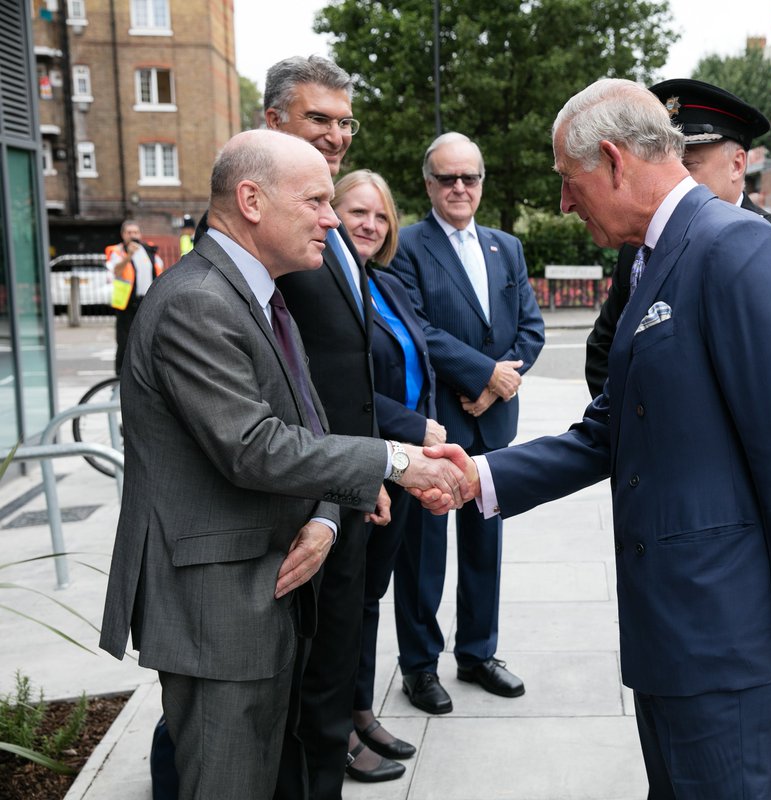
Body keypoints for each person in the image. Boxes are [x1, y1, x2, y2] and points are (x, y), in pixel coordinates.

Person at [422, 78, 771, 797]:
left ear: (616, 162)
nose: (565, 202)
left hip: (728, 637)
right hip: (674, 631)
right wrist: (480, 477)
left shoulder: (737, 248)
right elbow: (613, 424)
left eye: (569, 179)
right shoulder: (656, 255)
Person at [98, 129, 469, 799]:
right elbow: (252, 446)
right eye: (316, 201)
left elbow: (308, 424)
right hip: (218, 609)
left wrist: (326, 515)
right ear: (251, 201)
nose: (332, 219)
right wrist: (394, 460)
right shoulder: (196, 301)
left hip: (264, 589)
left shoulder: (260, 293)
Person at [255, 55, 384, 798]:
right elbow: (273, 387)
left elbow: (341, 367)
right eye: (319, 119)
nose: (337, 136)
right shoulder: (260, 226)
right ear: (273, 120)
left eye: (345, 122)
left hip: (344, 484)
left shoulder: (324, 219)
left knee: (330, 679)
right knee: (289, 698)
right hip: (302, 505)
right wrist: (334, 494)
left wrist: (374, 466)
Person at [391, 132, 545, 715]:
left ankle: (478, 654)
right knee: (423, 555)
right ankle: (419, 666)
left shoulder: (507, 247)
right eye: (447, 178)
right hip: (435, 425)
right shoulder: (406, 246)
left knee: (485, 548)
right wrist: (484, 375)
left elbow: (529, 328)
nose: (460, 187)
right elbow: (416, 328)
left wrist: (499, 383)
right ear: (428, 183)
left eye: (469, 177)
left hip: (492, 426)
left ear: (481, 182)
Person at [584, 78, 771, 397]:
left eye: (687, 165)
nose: (674, 180)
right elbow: (604, 349)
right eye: (665, 165)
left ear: (737, 165)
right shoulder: (639, 245)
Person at [332, 169, 442, 783]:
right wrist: (414, 426)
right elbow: (343, 386)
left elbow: (417, 364)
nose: (370, 224)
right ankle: (338, 732)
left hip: (400, 467)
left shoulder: (386, 282)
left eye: (380, 215)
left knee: (371, 595)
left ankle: (360, 711)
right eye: (357, 212)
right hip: (358, 462)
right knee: (344, 601)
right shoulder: (324, 287)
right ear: (332, 213)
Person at [105, 220, 165, 373]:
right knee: (124, 342)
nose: (133, 235)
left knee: (148, 339)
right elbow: (116, 271)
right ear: (123, 234)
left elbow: (159, 270)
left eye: (135, 232)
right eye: (129, 232)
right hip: (126, 303)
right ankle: (120, 376)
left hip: (147, 301)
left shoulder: (148, 250)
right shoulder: (118, 251)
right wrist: (129, 255)